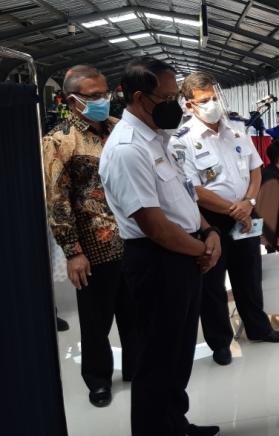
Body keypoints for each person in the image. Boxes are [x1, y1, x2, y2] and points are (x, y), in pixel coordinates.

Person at [99, 57, 222, 436]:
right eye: (168, 97)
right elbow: (154, 226)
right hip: (157, 261)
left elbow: (182, 197)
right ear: (140, 97)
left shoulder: (160, 137)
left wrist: (208, 231)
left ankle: (175, 423)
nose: (176, 105)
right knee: (156, 358)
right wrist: (200, 249)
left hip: (183, 253)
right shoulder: (127, 149)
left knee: (179, 352)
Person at [169, 72, 279, 367]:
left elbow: (255, 169)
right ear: (189, 105)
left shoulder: (236, 130)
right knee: (212, 283)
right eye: (204, 100)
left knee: (250, 273)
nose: (212, 104)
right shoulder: (181, 142)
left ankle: (259, 328)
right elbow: (192, 188)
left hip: (246, 211)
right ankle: (220, 342)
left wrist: (247, 203)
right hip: (210, 220)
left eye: (214, 97)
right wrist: (231, 209)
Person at [42, 65, 137, 407]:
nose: (103, 100)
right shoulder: (59, 140)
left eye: (105, 93)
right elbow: (57, 199)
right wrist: (72, 251)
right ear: (72, 100)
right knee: (97, 321)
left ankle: (135, 369)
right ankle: (98, 379)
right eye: (94, 96)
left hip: (135, 235)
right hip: (95, 244)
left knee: (135, 312)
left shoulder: (119, 128)